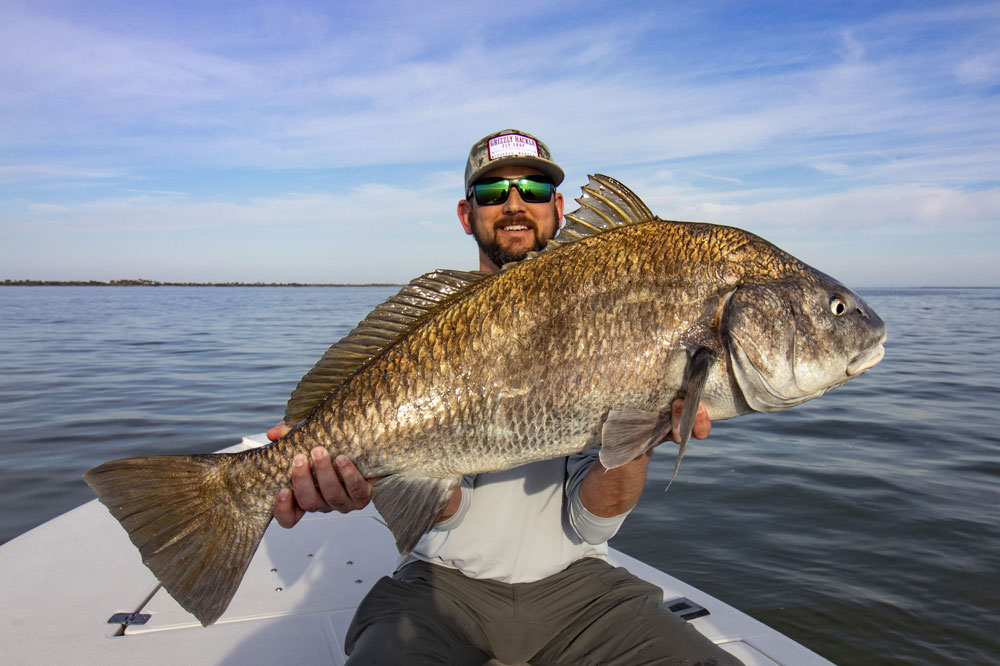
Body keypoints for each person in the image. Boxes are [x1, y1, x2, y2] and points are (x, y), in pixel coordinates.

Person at [267, 130, 744, 665]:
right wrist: (371, 468)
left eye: (533, 188)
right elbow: (444, 517)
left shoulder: (613, 313)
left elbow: (589, 523)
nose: (514, 204)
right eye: (492, 193)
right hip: (439, 588)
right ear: (465, 213)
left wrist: (646, 432)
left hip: (583, 591)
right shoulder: (433, 326)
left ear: (558, 207)